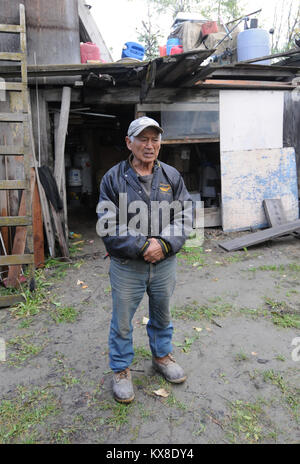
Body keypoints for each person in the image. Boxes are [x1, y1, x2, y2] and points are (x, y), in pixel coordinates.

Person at [97, 116, 193, 404]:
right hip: (127, 265)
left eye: (155, 139)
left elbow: (187, 216)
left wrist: (163, 243)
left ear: (160, 143)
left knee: (162, 314)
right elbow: (108, 224)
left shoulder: (172, 177)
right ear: (129, 142)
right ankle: (122, 370)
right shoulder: (113, 178)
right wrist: (142, 246)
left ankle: (162, 357)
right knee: (123, 321)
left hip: (164, 262)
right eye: (143, 139)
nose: (149, 145)